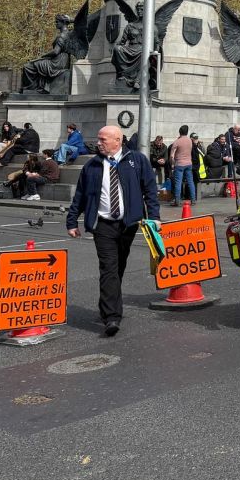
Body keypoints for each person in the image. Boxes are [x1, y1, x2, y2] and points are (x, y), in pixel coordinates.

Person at [66, 125, 160, 337]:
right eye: (99, 139)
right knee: (108, 268)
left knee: (118, 268)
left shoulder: (136, 160)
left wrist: (154, 217)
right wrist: (72, 221)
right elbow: (80, 196)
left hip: (128, 224)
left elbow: (150, 190)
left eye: (103, 140)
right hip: (103, 225)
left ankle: (106, 303)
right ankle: (112, 317)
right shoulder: (92, 166)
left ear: (118, 140)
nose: (98, 143)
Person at [168, 124, 195, 207]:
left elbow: (172, 156)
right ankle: (193, 200)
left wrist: (172, 164)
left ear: (179, 132)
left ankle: (177, 201)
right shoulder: (190, 141)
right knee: (190, 182)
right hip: (189, 164)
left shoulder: (177, 142)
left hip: (179, 164)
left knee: (178, 183)